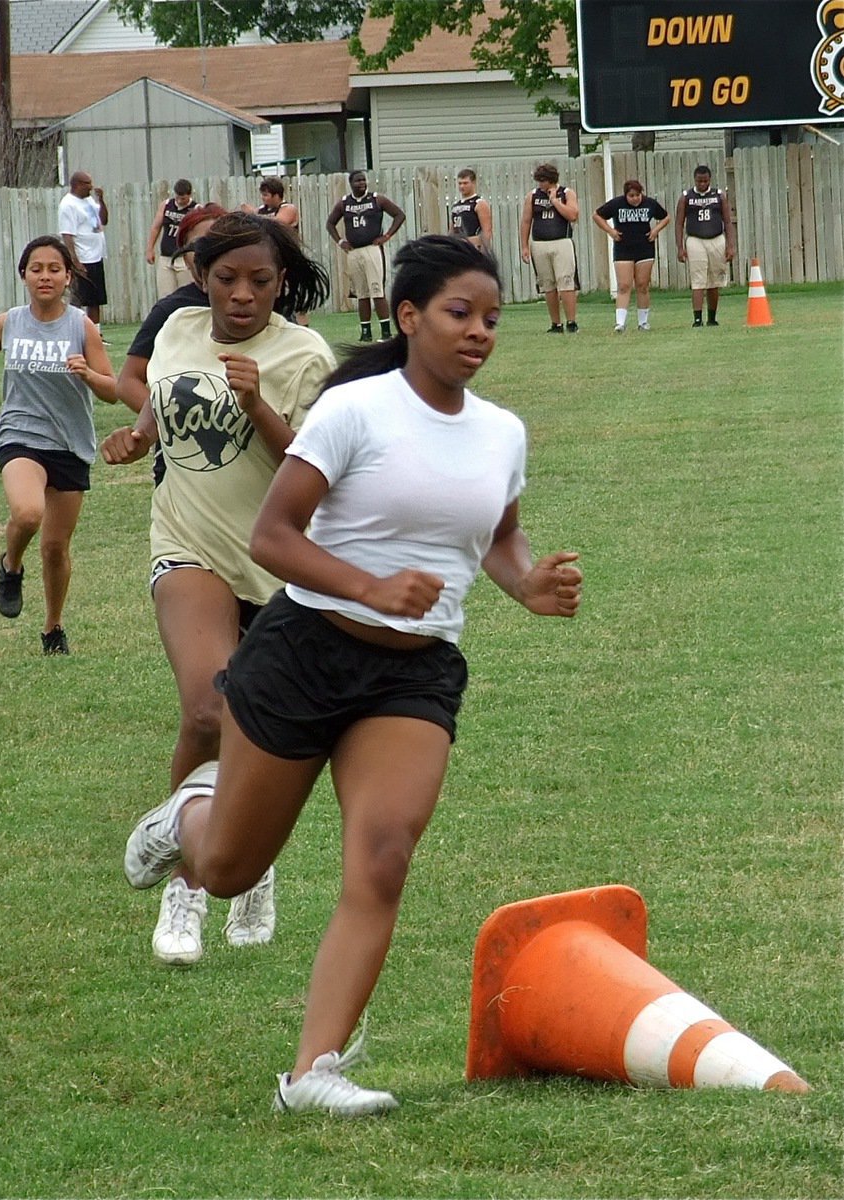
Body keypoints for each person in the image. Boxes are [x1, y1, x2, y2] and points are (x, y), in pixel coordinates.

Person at [122, 234, 582, 1114]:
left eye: (490, 317)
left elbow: (498, 537)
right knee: (225, 870)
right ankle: (187, 814)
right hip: (304, 652)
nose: (478, 331)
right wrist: (369, 585)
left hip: (414, 676)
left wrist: (528, 584)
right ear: (408, 317)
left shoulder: (501, 432)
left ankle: (311, 1073)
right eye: (459, 313)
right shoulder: (355, 411)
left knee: (381, 858)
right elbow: (274, 537)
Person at [103, 212, 335, 966]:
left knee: (265, 738)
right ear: (201, 277)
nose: (241, 295)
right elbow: (161, 394)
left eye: (260, 282)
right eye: (226, 279)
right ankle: (186, 884)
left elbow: (320, 464)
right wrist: (139, 435)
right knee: (207, 712)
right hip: (188, 547)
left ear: (281, 283)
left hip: (280, 568)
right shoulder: (176, 329)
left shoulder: (303, 355)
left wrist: (257, 404)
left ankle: (250, 862)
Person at [0, 236, 117, 655]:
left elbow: (112, 390)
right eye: (37, 268)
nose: (45, 276)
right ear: (24, 275)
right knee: (28, 512)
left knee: (55, 548)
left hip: (69, 443)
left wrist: (88, 374)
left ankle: (53, 628)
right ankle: (10, 565)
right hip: (19, 433)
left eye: (55, 269)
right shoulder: (7, 323)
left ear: (68, 276)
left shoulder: (80, 326)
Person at [117, 202, 228, 487]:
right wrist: (176, 418)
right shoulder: (171, 311)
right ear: (184, 257)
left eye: (220, 242)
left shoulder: (263, 303)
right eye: (198, 246)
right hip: (182, 460)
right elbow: (128, 380)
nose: (208, 253)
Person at [325, 169, 406, 342]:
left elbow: (399, 215)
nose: (361, 183)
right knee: (362, 293)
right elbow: (330, 223)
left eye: (363, 180)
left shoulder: (377, 199)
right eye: (357, 181)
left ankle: (386, 332)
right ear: (351, 183)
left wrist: (387, 235)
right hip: (354, 252)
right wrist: (340, 242)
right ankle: (365, 332)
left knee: (377, 290)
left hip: (372, 249)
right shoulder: (344, 203)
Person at [592, 180, 671, 333]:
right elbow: (597, 215)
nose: (635, 198)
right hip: (623, 249)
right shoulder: (616, 204)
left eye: (637, 195)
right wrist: (611, 231)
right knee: (624, 285)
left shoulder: (650, 204)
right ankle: (620, 323)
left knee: (642, 285)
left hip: (645, 249)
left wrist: (655, 231)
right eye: (631, 196)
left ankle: (643, 322)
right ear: (625, 195)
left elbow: (666, 217)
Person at [520, 163, 580, 333]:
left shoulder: (566, 193)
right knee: (548, 284)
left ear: (551, 180)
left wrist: (554, 201)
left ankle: (571, 322)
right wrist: (524, 245)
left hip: (562, 241)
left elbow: (573, 215)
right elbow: (526, 221)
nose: (540, 185)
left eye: (543, 181)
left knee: (566, 281)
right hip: (539, 243)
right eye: (538, 181)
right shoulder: (532, 196)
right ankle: (556, 323)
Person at [675, 164, 736, 327]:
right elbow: (679, 223)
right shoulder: (686, 197)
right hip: (695, 240)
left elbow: (728, 221)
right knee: (698, 280)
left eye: (705, 181)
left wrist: (730, 245)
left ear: (710, 180)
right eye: (699, 181)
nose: (702, 184)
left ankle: (712, 317)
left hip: (716, 238)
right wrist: (680, 247)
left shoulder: (719, 196)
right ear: (695, 180)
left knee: (714, 281)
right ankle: (697, 318)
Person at [243, 177, 308, 324]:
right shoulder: (261, 211)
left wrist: (252, 215)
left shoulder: (288, 208)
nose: (263, 198)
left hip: (290, 259)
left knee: (296, 298)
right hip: (270, 260)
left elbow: (277, 223)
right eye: (262, 194)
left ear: (277, 195)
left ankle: (304, 329)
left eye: (266, 195)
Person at [58, 170, 109, 333]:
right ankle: (74, 332)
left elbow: (103, 220)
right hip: (82, 257)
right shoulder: (68, 204)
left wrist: (101, 200)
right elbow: (67, 234)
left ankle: (96, 333)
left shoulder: (88, 201)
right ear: (78, 185)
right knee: (79, 299)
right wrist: (75, 260)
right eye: (87, 183)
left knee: (95, 299)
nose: (91, 186)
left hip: (95, 256)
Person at [145, 179, 197, 298]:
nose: (179, 201)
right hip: (166, 257)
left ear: (189, 195)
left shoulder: (195, 209)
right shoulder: (166, 205)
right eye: (177, 197)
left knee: (185, 296)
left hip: (183, 259)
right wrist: (150, 249)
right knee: (166, 296)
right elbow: (156, 227)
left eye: (183, 198)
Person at [448, 168, 493, 250]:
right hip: (458, 247)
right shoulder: (455, 206)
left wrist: (484, 250)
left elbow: (487, 230)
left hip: (473, 247)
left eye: (465, 183)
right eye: (460, 183)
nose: (462, 186)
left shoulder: (479, 203)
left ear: (473, 183)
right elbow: (452, 230)